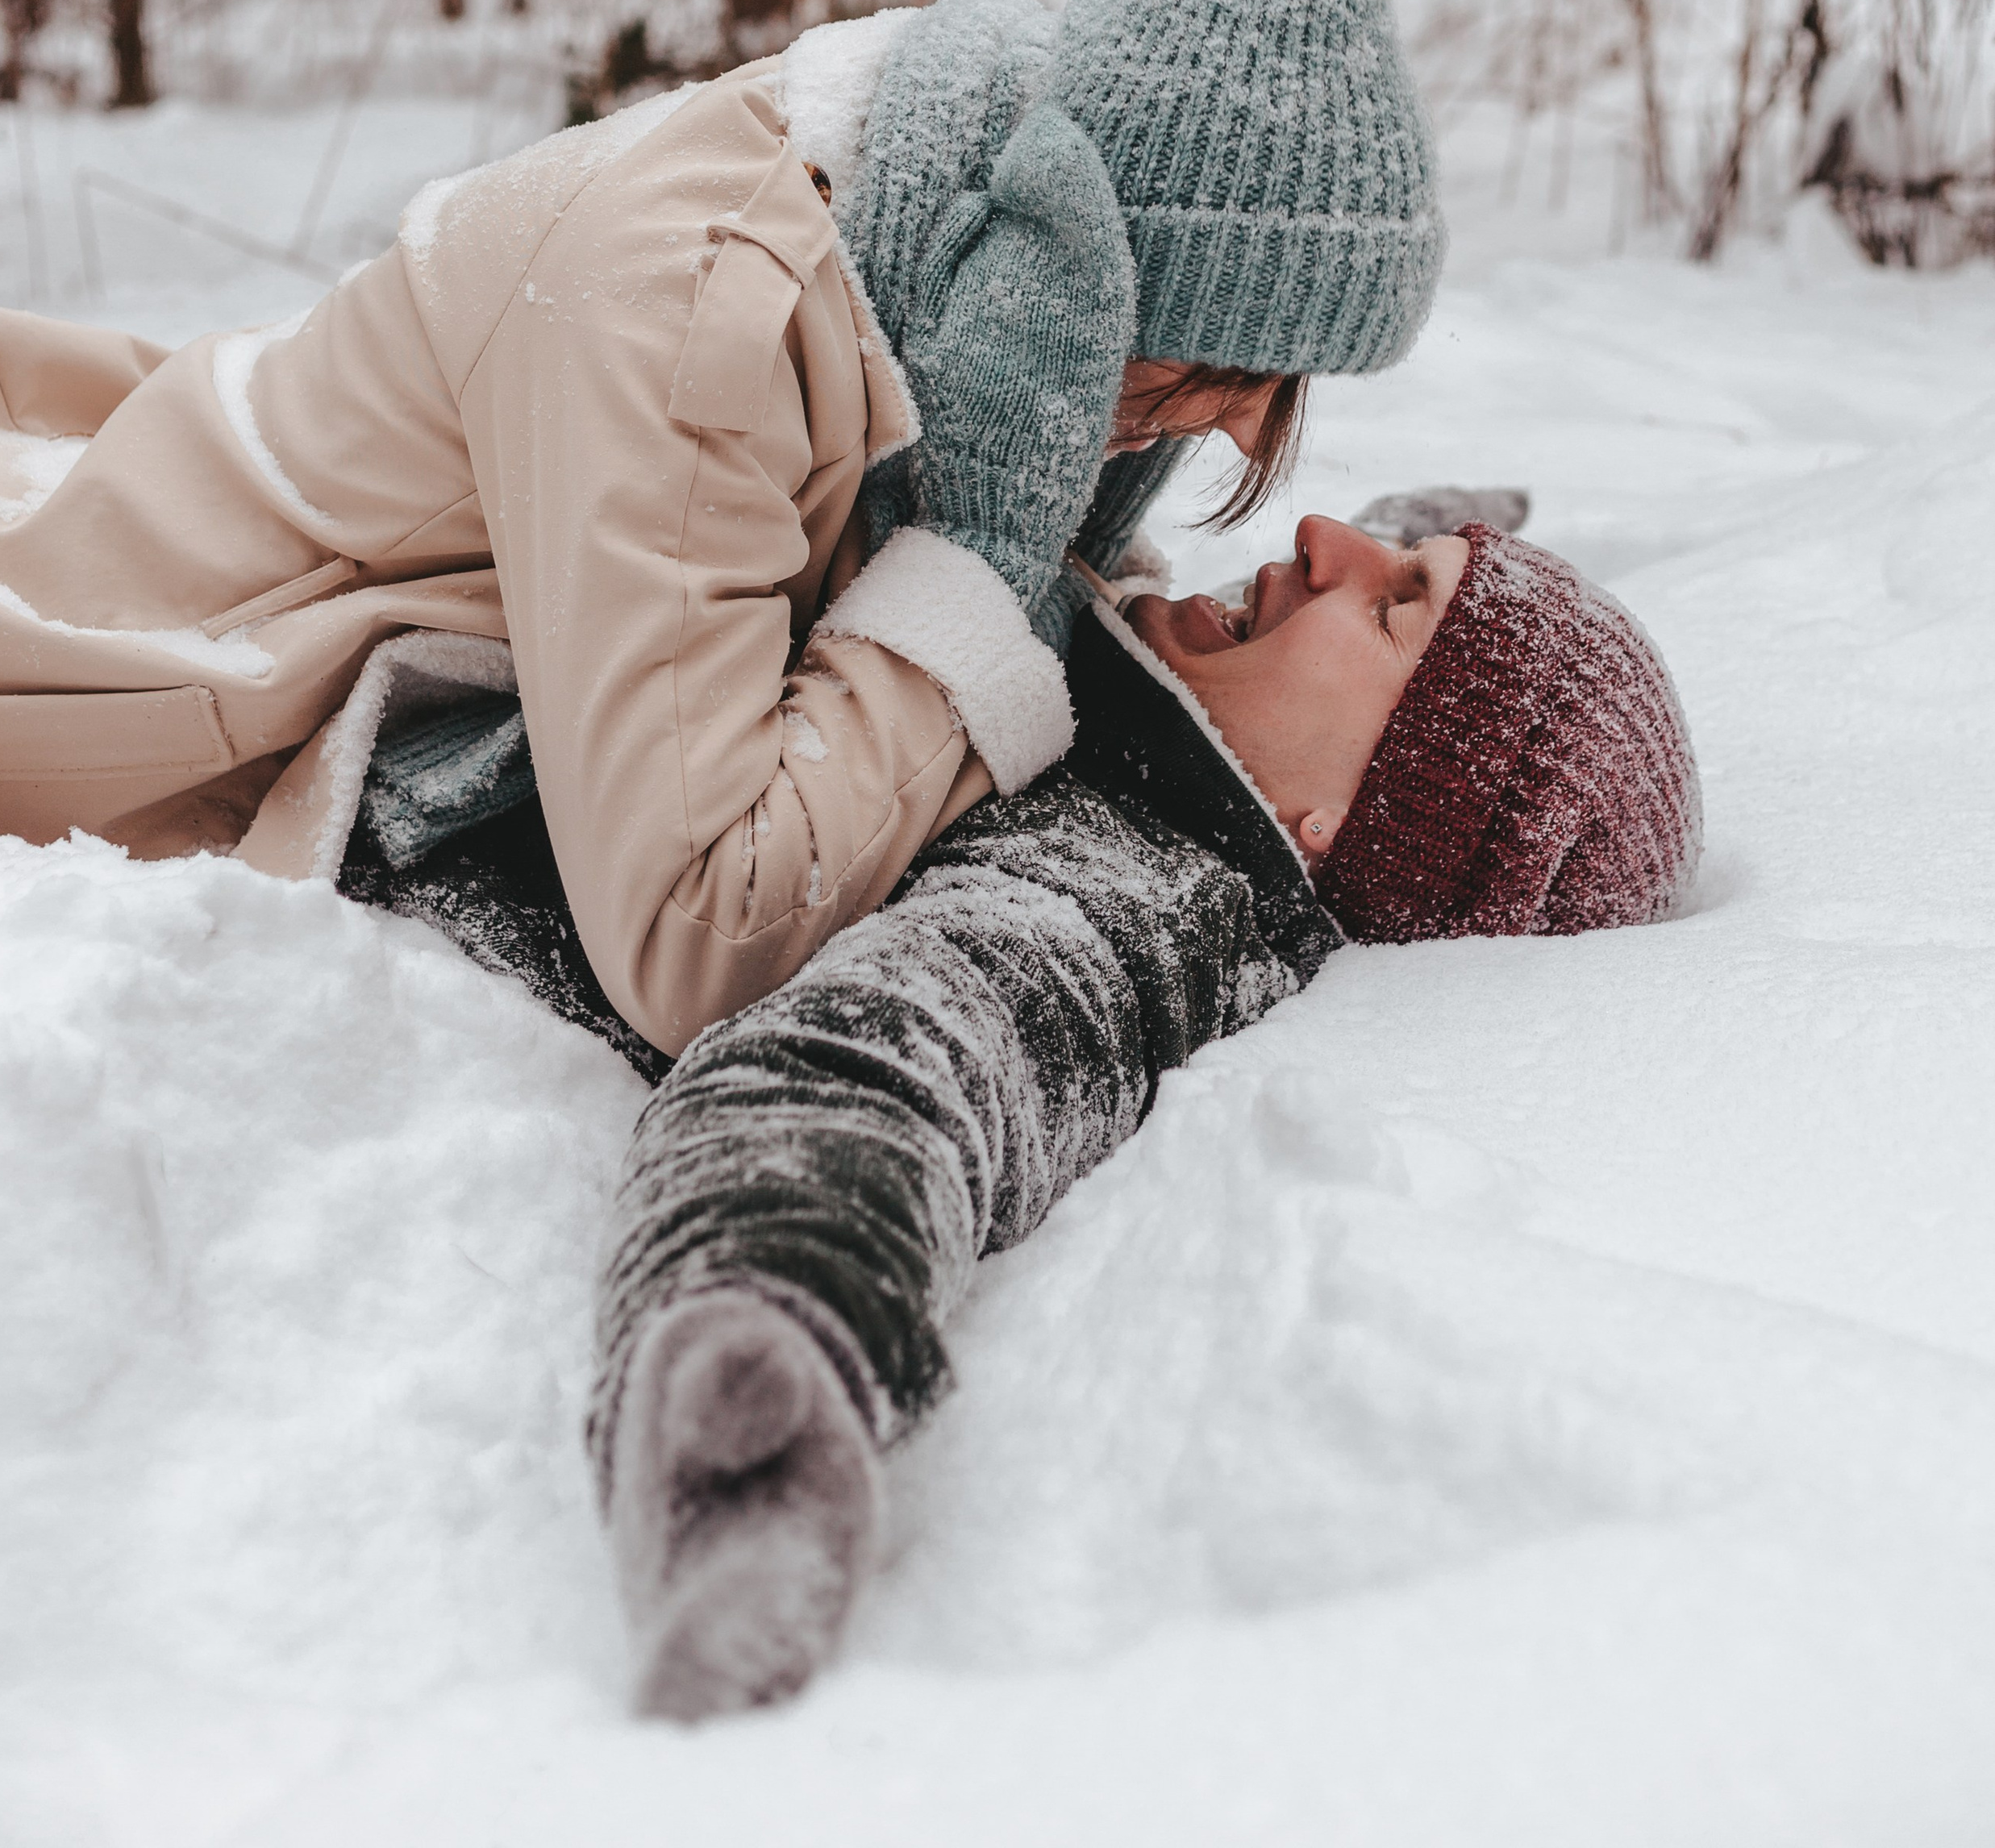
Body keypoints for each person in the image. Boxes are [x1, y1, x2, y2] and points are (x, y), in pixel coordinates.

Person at [0, 0, 1445, 1055]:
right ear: (1098, 286)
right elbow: (693, 934)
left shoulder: (961, 252)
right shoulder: (697, 316)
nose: (1218, 448)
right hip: (131, 645)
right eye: (1200, 393)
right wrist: (979, 557)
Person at [568, 513, 1701, 1721]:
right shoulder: (1197, 745)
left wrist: (771, 1353)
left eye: (1391, 603)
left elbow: (881, 1057)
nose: (1324, 537)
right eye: (1396, 542)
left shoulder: (1124, 894)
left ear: (1348, 821)